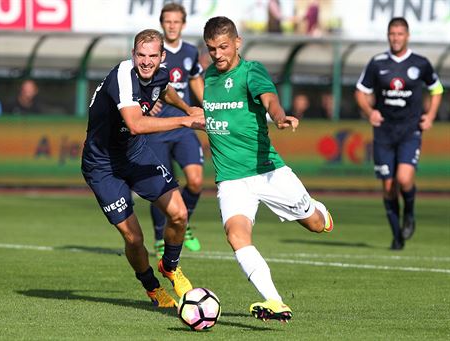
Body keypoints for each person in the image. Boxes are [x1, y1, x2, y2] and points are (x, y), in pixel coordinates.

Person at [202, 16, 334, 322]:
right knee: (236, 236)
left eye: (223, 47)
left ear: (237, 43)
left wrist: (279, 116)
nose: (218, 54)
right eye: (212, 49)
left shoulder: (251, 71)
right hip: (231, 180)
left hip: (268, 172)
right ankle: (274, 300)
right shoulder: (208, 78)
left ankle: (318, 210)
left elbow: (270, 99)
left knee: (315, 224)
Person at [81, 29, 205, 308]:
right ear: (133, 55)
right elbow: (136, 124)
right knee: (134, 238)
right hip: (102, 165)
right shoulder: (124, 76)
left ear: (162, 57)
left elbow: (166, 89)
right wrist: (186, 122)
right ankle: (151, 286)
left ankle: (170, 267)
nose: (146, 61)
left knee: (179, 214)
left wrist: (187, 108)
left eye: (152, 56)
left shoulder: (161, 73)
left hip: (135, 154)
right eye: (141, 55)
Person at [355, 17, 443, 250]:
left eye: (400, 34)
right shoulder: (377, 63)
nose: (396, 38)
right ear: (388, 36)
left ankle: (410, 214)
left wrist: (431, 115)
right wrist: (369, 112)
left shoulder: (420, 63)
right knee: (388, 186)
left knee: (404, 179)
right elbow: (360, 91)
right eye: (392, 34)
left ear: (407, 36)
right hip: (384, 131)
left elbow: (437, 88)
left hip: (410, 130)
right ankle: (397, 236)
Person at [146, 3, 205, 259]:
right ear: (162, 23)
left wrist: (205, 106)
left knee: (195, 180)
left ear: (183, 24)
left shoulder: (190, 51)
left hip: (183, 126)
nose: (172, 25)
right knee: (163, 189)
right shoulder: (151, 52)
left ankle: (183, 224)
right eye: (167, 21)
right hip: (157, 129)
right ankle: (160, 237)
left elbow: (194, 80)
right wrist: (147, 101)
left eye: (176, 21)